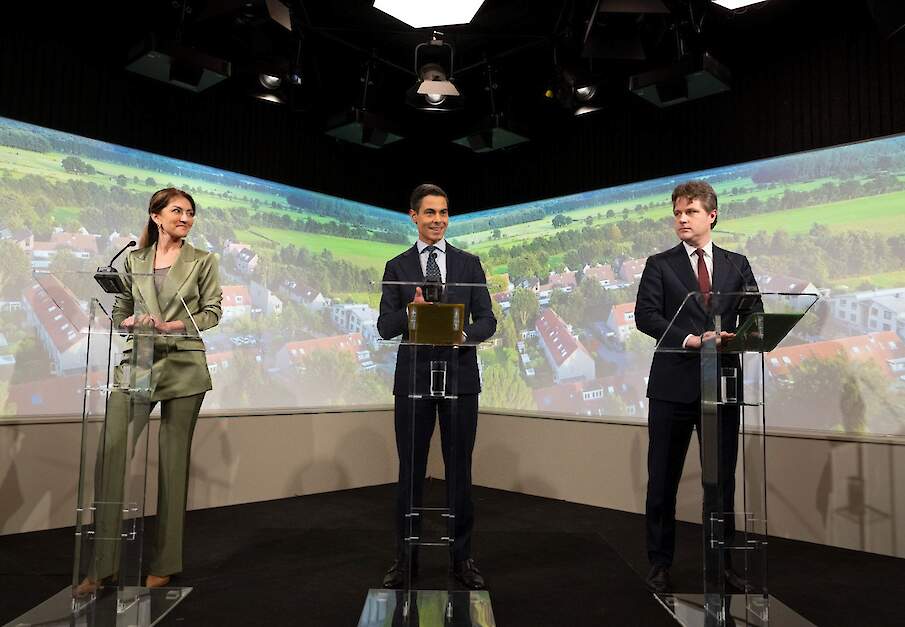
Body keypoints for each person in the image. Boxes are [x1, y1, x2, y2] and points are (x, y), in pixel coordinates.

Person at [79, 187, 222, 594]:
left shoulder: (203, 260)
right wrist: (126, 321)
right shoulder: (134, 259)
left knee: (173, 468)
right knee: (110, 458)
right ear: (156, 216)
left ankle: (165, 562)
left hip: (183, 366)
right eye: (177, 211)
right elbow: (121, 306)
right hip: (138, 364)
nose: (186, 218)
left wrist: (177, 325)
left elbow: (213, 311)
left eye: (190, 212)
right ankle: (102, 567)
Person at [634, 180, 760, 593]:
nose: (682, 219)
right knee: (662, 481)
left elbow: (755, 313)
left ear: (712, 215)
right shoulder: (660, 264)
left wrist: (739, 335)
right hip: (671, 388)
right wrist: (691, 339)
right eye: (677, 213)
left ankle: (722, 566)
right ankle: (659, 565)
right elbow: (646, 316)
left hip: (721, 386)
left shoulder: (736, 264)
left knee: (721, 484)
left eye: (690, 212)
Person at [377, 184, 497, 590]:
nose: (438, 220)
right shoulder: (397, 267)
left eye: (443, 212)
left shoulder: (469, 264)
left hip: (460, 380)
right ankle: (405, 560)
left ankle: (462, 558)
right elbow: (385, 326)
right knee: (410, 473)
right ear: (413, 216)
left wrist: (465, 336)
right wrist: (412, 311)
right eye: (430, 213)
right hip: (413, 380)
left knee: (460, 473)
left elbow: (488, 320)